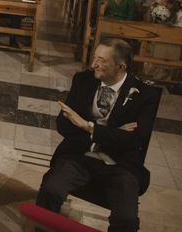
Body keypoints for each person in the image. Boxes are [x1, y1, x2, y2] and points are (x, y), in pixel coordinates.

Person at [36, 39, 160, 232]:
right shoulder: (83, 80)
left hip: (120, 165)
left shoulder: (145, 95)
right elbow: (64, 124)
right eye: (95, 57)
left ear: (120, 66)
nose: (94, 64)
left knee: (126, 219)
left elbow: (136, 140)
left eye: (101, 60)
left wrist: (88, 127)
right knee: (50, 190)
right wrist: (116, 134)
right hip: (79, 155)